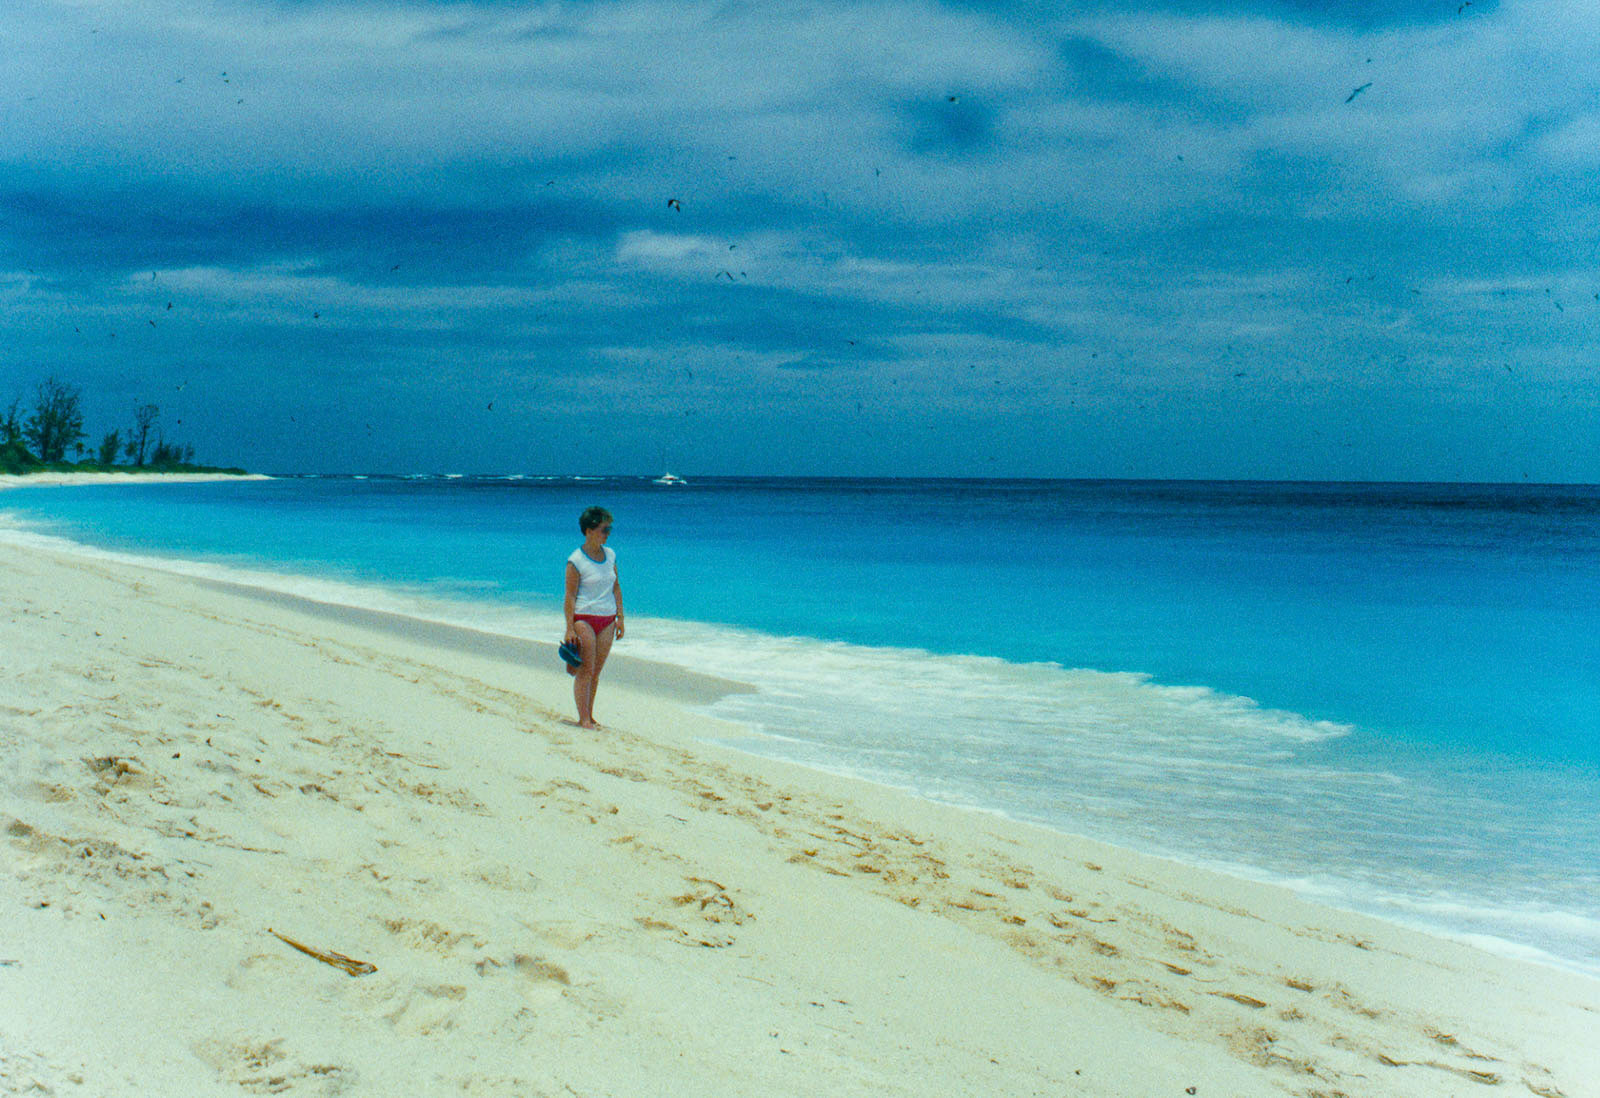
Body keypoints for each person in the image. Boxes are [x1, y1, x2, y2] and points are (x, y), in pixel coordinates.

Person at [564, 506, 623, 729]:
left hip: (607, 619)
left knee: (596, 672)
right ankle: (583, 718)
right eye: (603, 529)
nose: (607, 534)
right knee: (585, 670)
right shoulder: (576, 561)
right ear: (589, 531)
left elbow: (616, 587)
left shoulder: (611, 555)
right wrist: (569, 628)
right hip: (584, 618)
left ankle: (590, 714)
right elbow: (569, 597)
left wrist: (621, 617)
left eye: (609, 529)